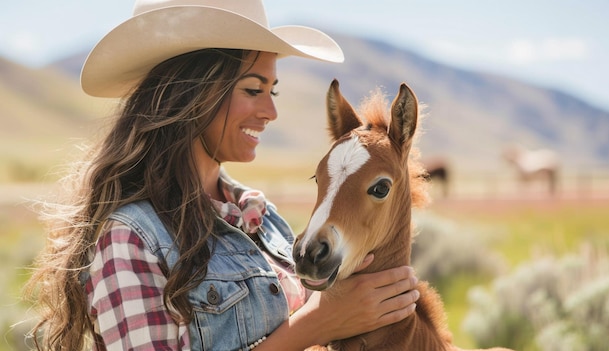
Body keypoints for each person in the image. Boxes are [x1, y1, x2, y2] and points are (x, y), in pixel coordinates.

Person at [25, 1, 420, 350]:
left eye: (273, 91)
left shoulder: (263, 221)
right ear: (194, 93)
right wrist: (316, 325)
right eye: (253, 90)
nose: (270, 111)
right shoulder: (130, 238)